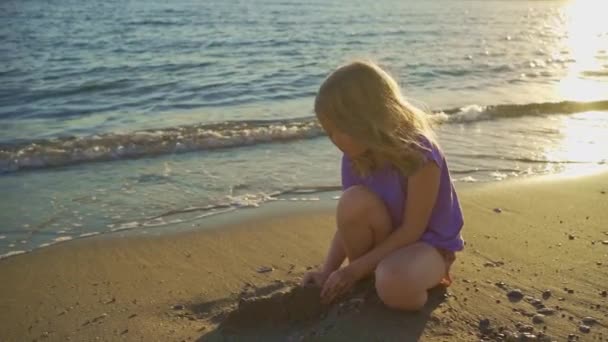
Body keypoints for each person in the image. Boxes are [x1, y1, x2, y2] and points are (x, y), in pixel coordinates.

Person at [301, 61, 464, 311]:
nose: (332, 139)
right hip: (384, 244)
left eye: (337, 130)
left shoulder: (419, 154)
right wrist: (328, 270)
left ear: (364, 121)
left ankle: (412, 284)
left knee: (394, 283)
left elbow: (412, 230)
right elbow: (348, 222)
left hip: (427, 246)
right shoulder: (356, 158)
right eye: (327, 132)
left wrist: (352, 270)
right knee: (352, 201)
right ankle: (370, 276)